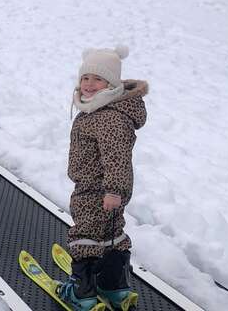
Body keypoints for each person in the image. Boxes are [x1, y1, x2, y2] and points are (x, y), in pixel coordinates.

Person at [57, 45, 148, 311]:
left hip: (97, 190)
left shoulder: (108, 117)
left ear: (111, 84)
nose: (89, 84)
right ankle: (114, 286)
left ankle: (82, 293)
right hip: (105, 189)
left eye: (98, 79)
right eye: (85, 78)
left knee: (85, 234)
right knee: (110, 233)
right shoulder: (101, 109)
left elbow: (117, 156)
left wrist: (113, 190)